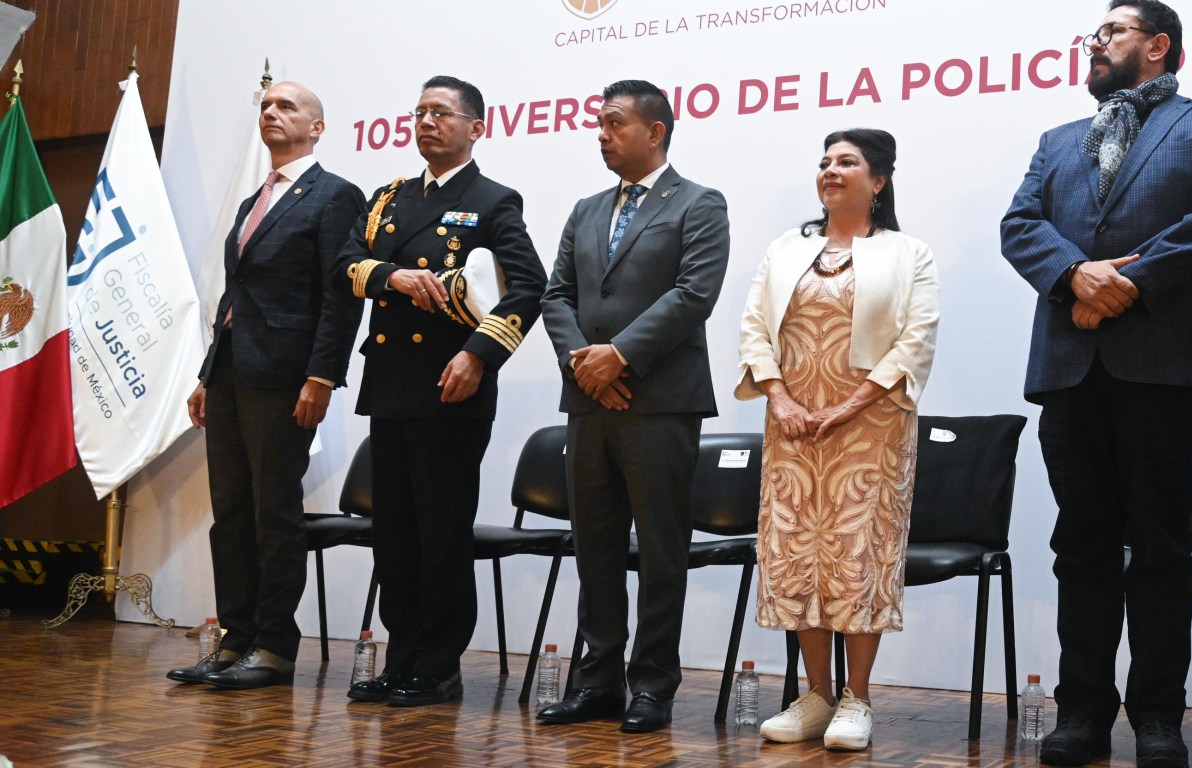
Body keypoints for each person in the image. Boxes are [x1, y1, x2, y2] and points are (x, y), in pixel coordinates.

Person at [1000, 2, 1192, 765]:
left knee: (1159, 546)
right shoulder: (1057, 140)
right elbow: (1020, 225)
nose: (1095, 42)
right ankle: (1081, 712)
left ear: (1157, 45)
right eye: (1094, 33)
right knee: (1080, 547)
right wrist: (1073, 274)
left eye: (1111, 31)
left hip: (1166, 366)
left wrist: (1125, 285)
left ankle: (1157, 718)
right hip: (1071, 367)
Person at [334, 75, 547, 707]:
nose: (426, 122)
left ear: (476, 127)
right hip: (391, 382)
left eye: (441, 113)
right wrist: (392, 276)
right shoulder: (389, 198)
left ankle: (438, 664)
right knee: (394, 533)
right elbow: (345, 264)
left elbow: (528, 287)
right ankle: (401, 658)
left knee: (441, 532)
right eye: (420, 111)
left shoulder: (492, 200)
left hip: (452, 386)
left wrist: (479, 355)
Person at [534, 79, 731, 734]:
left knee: (660, 550)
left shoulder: (699, 203)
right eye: (599, 123)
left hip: (660, 403)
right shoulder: (587, 208)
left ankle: (652, 686)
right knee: (594, 547)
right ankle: (596, 682)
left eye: (615, 123)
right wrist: (584, 365)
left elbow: (693, 294)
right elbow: (555, 295)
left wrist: (618, 356)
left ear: (656, 130)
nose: (602, 134)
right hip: (589, 402)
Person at [737, 128, 939, 753]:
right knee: (799, 552)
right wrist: (780, 398)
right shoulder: (786, 249)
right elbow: (753, 328)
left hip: (870, 427)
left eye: (847, 162)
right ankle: (816, 696)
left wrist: (850, 406)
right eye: (824, 161)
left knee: (858, 553)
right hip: (793, 423)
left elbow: (915, 339)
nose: (830, 170)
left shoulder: (909, 253)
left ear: (878, 180)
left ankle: (857, 698)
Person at [170, 82, 366, 690]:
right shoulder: (255, 199)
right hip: (232, 372)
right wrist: (208, 374)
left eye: (286, 106)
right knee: (230, 512)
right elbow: (236, 294)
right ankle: (235, 639)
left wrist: (322, 375)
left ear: (317, 126)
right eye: (265, 107)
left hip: (286, 375)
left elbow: (340, 296)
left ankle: (275, 647)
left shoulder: (335, 194)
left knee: (272, 511)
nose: (272, 113)